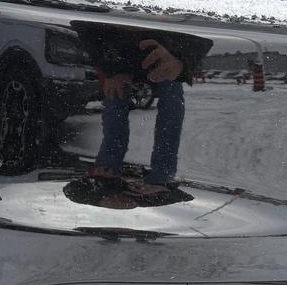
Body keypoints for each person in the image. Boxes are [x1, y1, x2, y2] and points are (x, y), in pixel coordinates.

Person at [70, 23, 212, 195]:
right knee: (121, 100)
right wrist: (111, 69)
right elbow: (83, 27)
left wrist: (180, 60)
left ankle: (148, 177)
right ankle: (154, 178)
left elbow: (204, 37)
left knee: (169, 100)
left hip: (159, 53)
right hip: (120, 54)